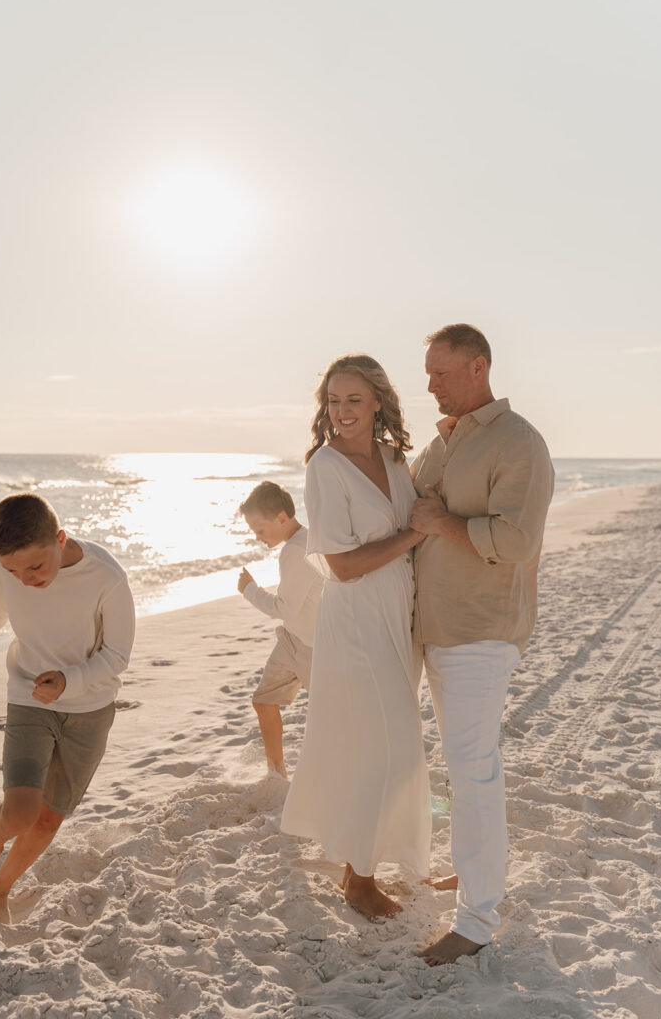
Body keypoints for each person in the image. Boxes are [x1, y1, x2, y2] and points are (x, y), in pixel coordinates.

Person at [409, 323, 554, 965]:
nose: (431, 384)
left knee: (473, 772)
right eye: (429, 374)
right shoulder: (442, 444)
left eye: (441, 373)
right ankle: (472, 875)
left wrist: (442, 521)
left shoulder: (518, 442)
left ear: (479, 367)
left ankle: (476, 920)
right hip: (436, 628)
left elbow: (517, 539)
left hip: (483, 630)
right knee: (460, 770)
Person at [281, 354, 432, 920]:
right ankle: (359, 879)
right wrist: (413, 535)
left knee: (382, 744)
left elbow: (419, 519)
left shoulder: (396, 459)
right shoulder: (325, 465)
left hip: (398, 613)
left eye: (352, 400)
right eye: (333, 401)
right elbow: (342, 566)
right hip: (354, 619)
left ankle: (359, 866)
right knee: (393, 745)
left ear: (377, 402)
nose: (341, 412)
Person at [0, 492, 135, 924]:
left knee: (46, 821)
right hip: (29, 696)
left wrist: (70, 680)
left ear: (60, 540)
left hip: (89, 708)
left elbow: (118, 655)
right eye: (13, 570)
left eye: (35, 566)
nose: (24, 579)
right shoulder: (5, 567)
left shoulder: (106, 577)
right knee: (22, 810)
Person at [237, 480, 323, 778]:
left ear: (282, 518)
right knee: (263, 701)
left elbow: (284, 607)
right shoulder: (303, 541)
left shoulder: (296, 551)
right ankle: (277, 773)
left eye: (260, 530)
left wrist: (249, 590)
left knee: (331, 716)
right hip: (292, 640)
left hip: (314, 648)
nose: (258, 538)